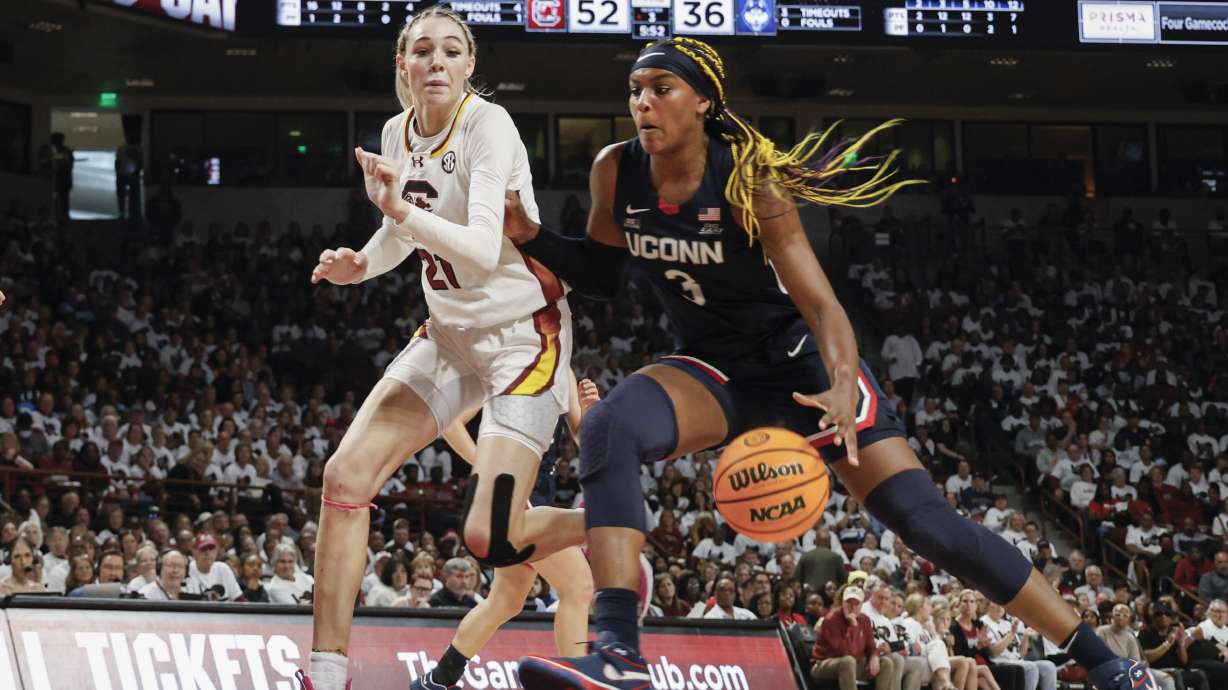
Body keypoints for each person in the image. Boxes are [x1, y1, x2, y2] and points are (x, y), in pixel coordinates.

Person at [505, 36, 1154, 690]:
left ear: (702, 101)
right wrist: (532, 235)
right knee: (610, 429)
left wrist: (844, 385)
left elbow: (822, 305)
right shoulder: (615, 170)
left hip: (802, 370)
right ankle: (617, 653)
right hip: (716, 369)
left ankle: (1108, 663)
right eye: (635, 90)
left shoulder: (745, 181)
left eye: (661, 89)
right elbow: (604, 275)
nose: (643, 102)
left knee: (930, 526)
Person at [302, 7, 582, 690]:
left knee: (494, 537)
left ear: (468, 67)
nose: (436, 61)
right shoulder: (397, 132)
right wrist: (362, 264)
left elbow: (484, 248)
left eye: (450, 51)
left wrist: (399, 212)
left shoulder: (490, 124)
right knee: (344, 478)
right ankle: (324, 673)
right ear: (402, 65)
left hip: (524, 337)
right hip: (451, 333)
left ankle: (607, 516)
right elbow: (405, 234)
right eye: (422, 50)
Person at [413, 371, 599, 690]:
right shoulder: (507, 364)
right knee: (578, 587)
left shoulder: (561, 368)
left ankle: (437, 680)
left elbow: (586, 437)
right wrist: (485, 466)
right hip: (512, 494)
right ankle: (577, 684)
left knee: (507, 600)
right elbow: (451, 423)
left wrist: (594, 412)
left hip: (538, 495)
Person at [811, 585, 895, 690]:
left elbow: (871, 646)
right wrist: (852, 626)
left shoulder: (865, 620)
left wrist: (874, 656)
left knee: (886, 663)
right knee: (848, 661)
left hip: (853, 663)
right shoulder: (831, 619)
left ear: (861, 605)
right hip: (823, 664)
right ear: (843, 603)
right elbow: (843, 651)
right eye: (849, 602)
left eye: (856, 603)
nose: (852, 607)